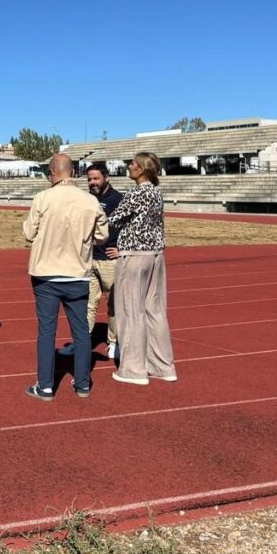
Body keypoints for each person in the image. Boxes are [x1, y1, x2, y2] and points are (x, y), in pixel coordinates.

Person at [22, 154, 108, 401]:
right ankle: (82, 384)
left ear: (52, 172)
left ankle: (46, 386)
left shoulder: (43, 198)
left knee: (47, 330)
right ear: (73, 172)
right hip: (77, 274)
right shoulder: (89, 201)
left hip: (46, 275)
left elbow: (29, 233)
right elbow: (103, 235)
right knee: (81, 331)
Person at [107, 152, 177, 384]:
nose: (130, 166)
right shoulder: (157, 193)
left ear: (143, 169)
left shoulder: (136, 193)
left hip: (135, 254)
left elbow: (114, 220)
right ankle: (162, 366)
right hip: (156, 254)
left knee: (130, 310)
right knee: (155, 310)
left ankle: (134, 369)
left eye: (134, 164)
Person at [58, 163, 123, 359]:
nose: (92, 182)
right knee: (86, 305)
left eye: (96, 178)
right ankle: (81, 343)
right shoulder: (86, 199)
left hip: (110, 262)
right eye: (89, 179)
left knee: (114, 305)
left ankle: (114, 343)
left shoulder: (118, 199)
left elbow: (130, 227)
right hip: (87, 260)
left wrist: (123, 249)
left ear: (106, 178)